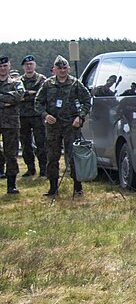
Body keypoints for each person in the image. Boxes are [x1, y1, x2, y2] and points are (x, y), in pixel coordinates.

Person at [35, 55, 92, 197]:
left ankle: (77, 186)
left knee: (73, 155)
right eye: (59, 68)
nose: (62, 71)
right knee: (52, 156)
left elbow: (87, 100)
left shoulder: (75, 84)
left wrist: (80, 117)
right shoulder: (48, 84)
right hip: (53, 126)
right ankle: (53, 186)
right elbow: (38, 102)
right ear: (54, 69)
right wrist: (45, 115)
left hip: (71, 125)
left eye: (64, 68)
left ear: (68, 69)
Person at [0, 55, 26, 194]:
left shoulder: (16, 82)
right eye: (0, 66)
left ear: (9, 66)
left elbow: (18, 96)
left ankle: (11, 184)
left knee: (11, 154)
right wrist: (6, 101)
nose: (3, 69)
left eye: (5, 66)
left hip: (11, 123)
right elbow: (11, 99)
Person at [18, 55, 47, 177]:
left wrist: (26, 95)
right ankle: (30, 168)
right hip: (22, 116)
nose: (29, 66)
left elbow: (41, 95)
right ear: (23, 67)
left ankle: (43, 168)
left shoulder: (41, 79)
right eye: (26, 64)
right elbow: (18, 96)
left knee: (41, 143)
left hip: (37, 115)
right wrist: (28, 94)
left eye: (31, 64)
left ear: (34, 65)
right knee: (25, 144)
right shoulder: (18, 81)